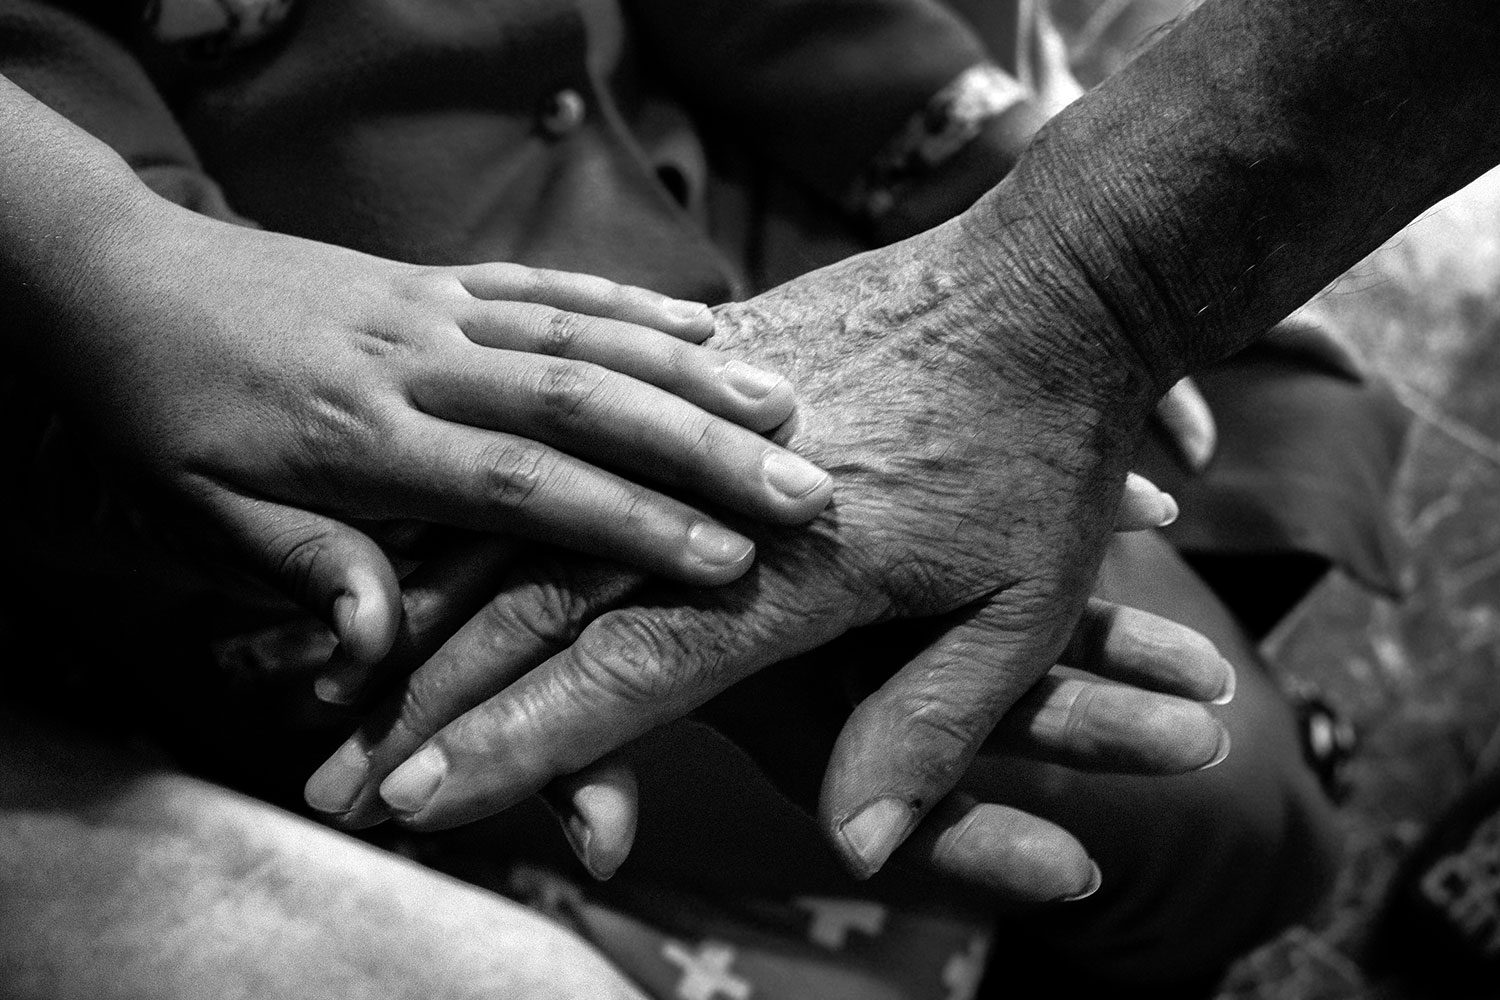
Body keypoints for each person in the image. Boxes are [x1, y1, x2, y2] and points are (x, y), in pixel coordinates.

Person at [0, 0, 1412, 994]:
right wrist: (110, 264)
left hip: (683, 179)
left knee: (1261, 444)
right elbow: (215, 379)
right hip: (380, 478)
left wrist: (980, 171)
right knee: (1226, 803)